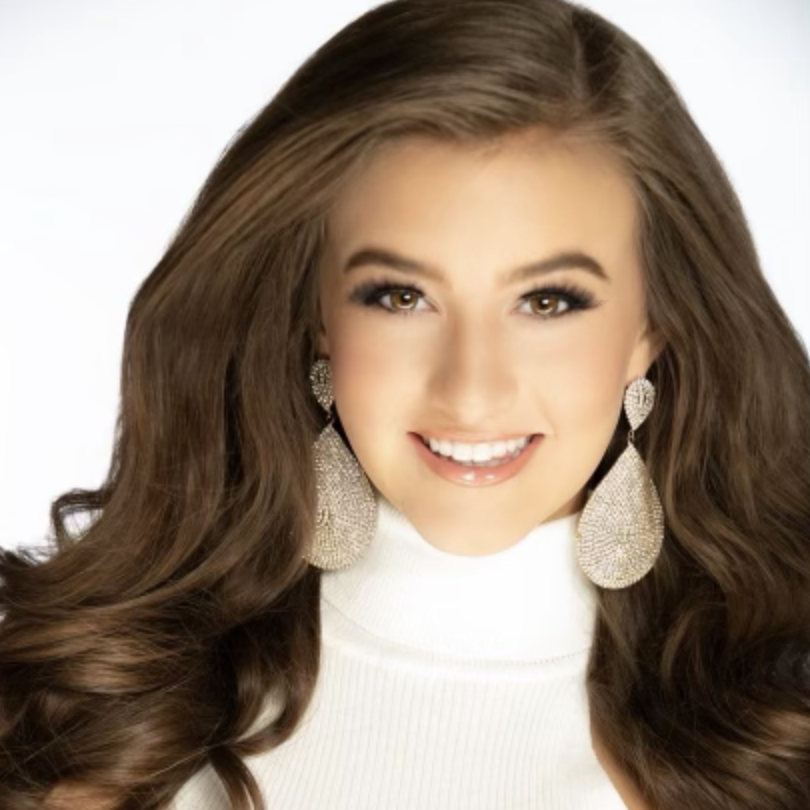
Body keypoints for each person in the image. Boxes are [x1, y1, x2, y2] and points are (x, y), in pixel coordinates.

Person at [2, 0, 809, 808]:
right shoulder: (93, 724)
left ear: (652, 330)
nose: (471, 387)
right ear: (317, 316)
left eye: (550, 302)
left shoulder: (779, 738)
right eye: (399, 296)